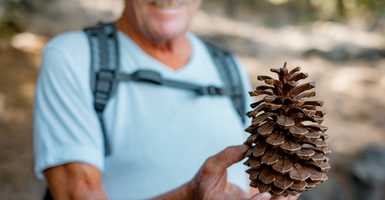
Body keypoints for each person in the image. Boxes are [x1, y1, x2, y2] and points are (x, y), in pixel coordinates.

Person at [33, 0, 299, 199]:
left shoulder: (227, 66)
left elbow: (255, 179)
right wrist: (187, 196)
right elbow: (77, 193)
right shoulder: (72, 56)